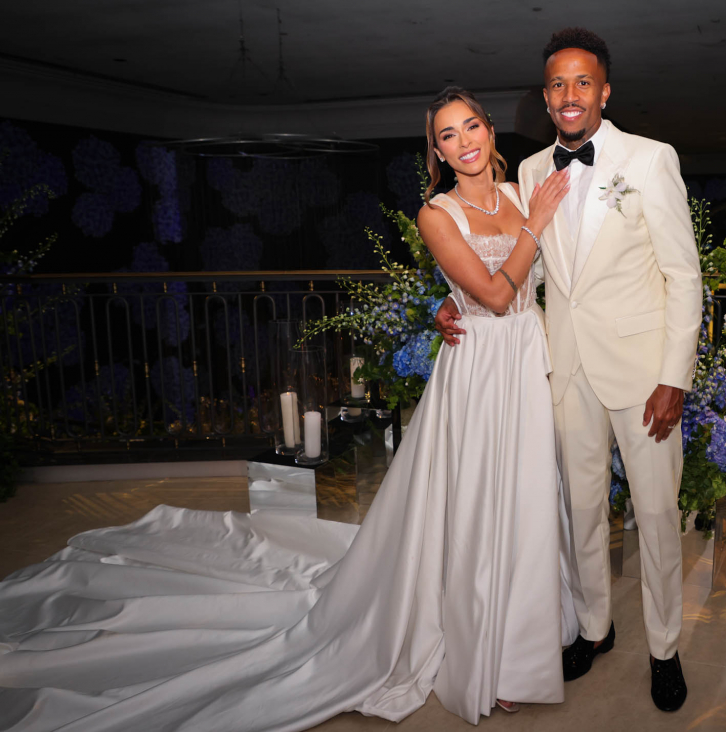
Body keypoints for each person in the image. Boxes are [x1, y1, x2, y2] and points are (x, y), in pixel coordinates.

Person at [0, 88, 574, 731]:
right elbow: (492, 294)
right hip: (478, 374)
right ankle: (486, 652)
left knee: (525, 496)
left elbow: (536, 284)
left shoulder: (524, 192)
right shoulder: (436, 213)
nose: (464, 142)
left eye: (471, 126)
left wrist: (465, 290)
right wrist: (525, 235)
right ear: (436, 152)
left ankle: (526, 641)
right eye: (447, 134)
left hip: (525, 361)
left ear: (490, 131)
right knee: (476, 505)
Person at [436, 27, 702, 712]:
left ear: (604, 92)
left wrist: (674, 377)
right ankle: (593, 628)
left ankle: (665, 650)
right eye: (558, 84)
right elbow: (513, 264)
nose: (570, 94)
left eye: (583, 81)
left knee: (655, 515)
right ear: (546, 97)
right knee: (581, 510)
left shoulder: (650, 159)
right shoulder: (528, 174)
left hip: (644, 375)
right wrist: (455, 298)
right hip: (564, 370)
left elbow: (683, 275)